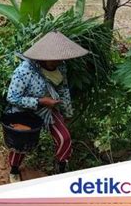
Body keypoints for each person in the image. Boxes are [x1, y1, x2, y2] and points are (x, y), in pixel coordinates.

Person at [5, 31, 89, 183]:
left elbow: (63, 89)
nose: (57, 62)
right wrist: (40, 101)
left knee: (64, 138)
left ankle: (61, 169)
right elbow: (12, 97)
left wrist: (67, 113)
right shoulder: (25, 71)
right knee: (21, 144)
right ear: (42, 58)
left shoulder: (61, 67)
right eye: (53, 60)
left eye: (59, 59)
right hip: (26, 111)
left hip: (49, 109)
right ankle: (14, 169)